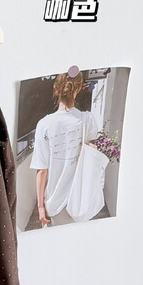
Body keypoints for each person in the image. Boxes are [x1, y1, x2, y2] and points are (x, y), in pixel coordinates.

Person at [30, 72, 99, 226]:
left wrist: (40, 207)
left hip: (55, 201)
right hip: (81, 199)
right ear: (79, 89)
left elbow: (42, 170)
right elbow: (91, 155)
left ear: (56, 89)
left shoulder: (44, 124)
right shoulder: (87, 120)